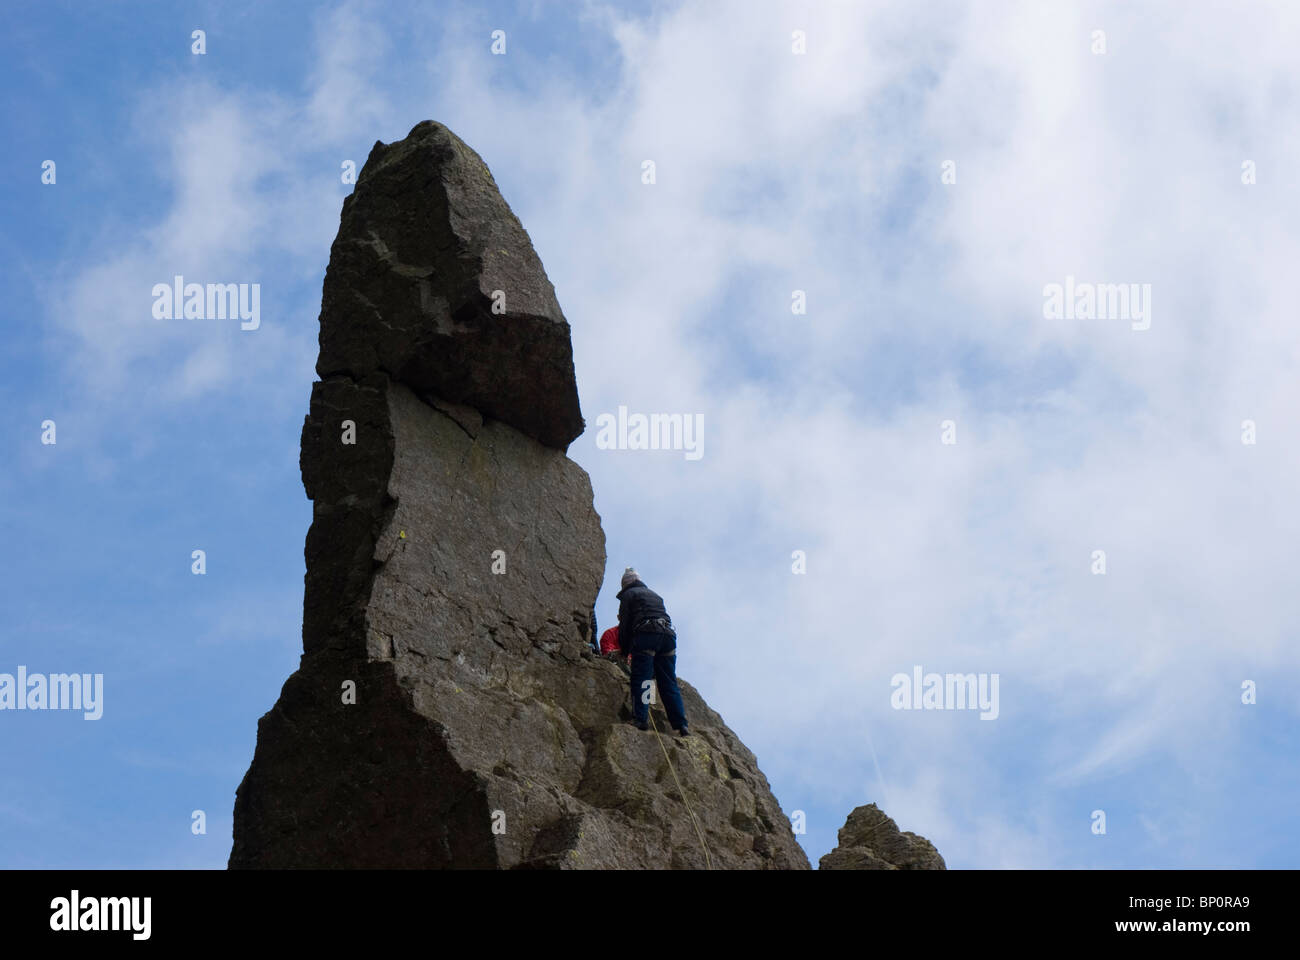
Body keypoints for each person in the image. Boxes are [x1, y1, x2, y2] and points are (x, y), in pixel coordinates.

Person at [615, 567, 689, 736]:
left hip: (647, 634)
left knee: (643, 678)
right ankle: (681, 725)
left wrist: (625, 650)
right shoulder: (655, 595)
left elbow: (625, 625)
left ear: (625, 584)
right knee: (668, 682)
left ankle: (641, 719)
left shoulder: (628, 595)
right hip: (668, 636)